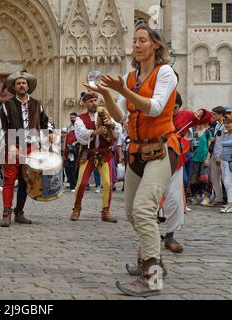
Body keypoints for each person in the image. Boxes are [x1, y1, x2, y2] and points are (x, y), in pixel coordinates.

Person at [85, 24, 178, 296]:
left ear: (156, 46)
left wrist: (123, 91)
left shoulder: (166, 73)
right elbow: (120, 117)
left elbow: (155, 107)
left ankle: (152, 277)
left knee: (144, 210)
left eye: (142, 41)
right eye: (134, 41)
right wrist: (105, 95)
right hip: (137, 150)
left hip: (162, 148)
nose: (136, 45)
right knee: (131, 213)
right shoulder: (131, 77)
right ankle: (151, 259)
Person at [0, 70, 53, 227]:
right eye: (18, 83)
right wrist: (10, 146)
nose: (21, 85)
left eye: (24, 83)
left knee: (25, 180)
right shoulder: (6, 105)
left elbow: (45, 122)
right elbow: (2, 129)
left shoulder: (37, 104)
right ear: (14, 87)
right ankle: (6, 213)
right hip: (13, 146)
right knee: (9, 180)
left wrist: (49, 133)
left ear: (28, 86)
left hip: (31, 147)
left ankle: (19, 212)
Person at [160, 92, 212, 253]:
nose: (172, 110)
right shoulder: (156, 114)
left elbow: (207, 118)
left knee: (175, 200)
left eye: (175, 107)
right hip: (154, 159)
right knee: (149, 201)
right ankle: (149, 238)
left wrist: (201, 112)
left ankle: (170, 235)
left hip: (176, 161)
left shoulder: (185, 116)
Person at [70, 91, 121, 223]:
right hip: (89, 154)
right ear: (85, 103)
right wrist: (95, 132)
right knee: (81, 183)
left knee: (108, 183)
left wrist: (111, 124)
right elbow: (80, 136)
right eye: (90, 101)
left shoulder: (106, 115)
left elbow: (118, 131)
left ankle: (106, 211)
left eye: (95, 100)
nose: (93, 103)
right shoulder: (80, 119)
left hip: (105, 153)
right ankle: (76, 208)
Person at [189, 123, 213, 205]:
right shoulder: (192, 132)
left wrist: (207, 159)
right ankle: (195, 196)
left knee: (205, 179)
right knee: (194, 179)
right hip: (194, 159)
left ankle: (206, 197)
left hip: (204, 159)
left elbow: (210, 147)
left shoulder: (207, 133)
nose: (200, 123)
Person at [209, 106, 226, 206]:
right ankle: (219, 198)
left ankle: (228, 199)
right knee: (214, 178)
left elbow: (226, 141)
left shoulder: (226, 125)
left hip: (222, 155)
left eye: (214, 114)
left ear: (221, 114)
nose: (213, 116)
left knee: (225, 178)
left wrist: (221, 156)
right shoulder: (216, 125)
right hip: (214, 154)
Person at [63, 112, 79, 192]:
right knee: (68, 167)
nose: (72, 119)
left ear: (76, 118)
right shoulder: (69, 127)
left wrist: (75, 143)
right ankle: (71, 182)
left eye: (73, 117)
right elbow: (66, 138)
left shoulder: (79, 126)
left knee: (75, 168)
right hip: (69, 150)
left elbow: (81, 137)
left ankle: (74, 185)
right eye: (71, 117)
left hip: (76, 150)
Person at [220, 118, 232, 213]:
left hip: (229, 161)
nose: (227, 125)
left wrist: (223, 144)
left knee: (228, 182)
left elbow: (226, 143)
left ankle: (230, 204)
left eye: (229, 123)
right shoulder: (227, 134)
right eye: (225, 123)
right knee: (226, 183)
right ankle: (229, 203)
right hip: (224, 160)